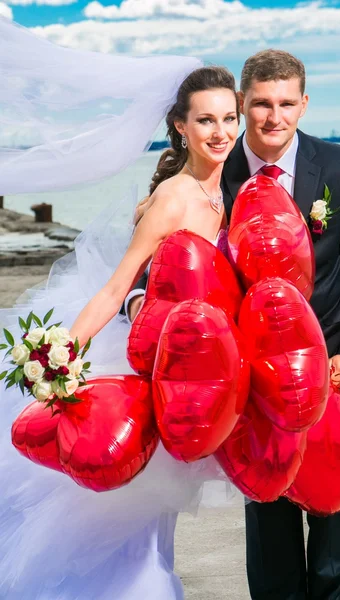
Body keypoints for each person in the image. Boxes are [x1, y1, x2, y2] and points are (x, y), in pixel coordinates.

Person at [131, 50, 340, 599]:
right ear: (242, 104)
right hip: (247, 374)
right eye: (260, 105)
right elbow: (161, 261)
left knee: (336, 502)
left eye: (286, 104)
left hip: (332, 366)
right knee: (266, 504)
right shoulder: (212, 175)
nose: (274, 117)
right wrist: (138, 302)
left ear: (304, 103)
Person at [0, 63, 242, 599]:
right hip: (150, 367)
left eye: (229, 118)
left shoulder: (226, 193)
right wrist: (59, 354)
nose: (220, 132)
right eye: (205, 120)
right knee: (130, 511)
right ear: (181, 126)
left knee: (159, 512)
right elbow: (117, 289)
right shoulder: (174, 199)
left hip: (196, 378)